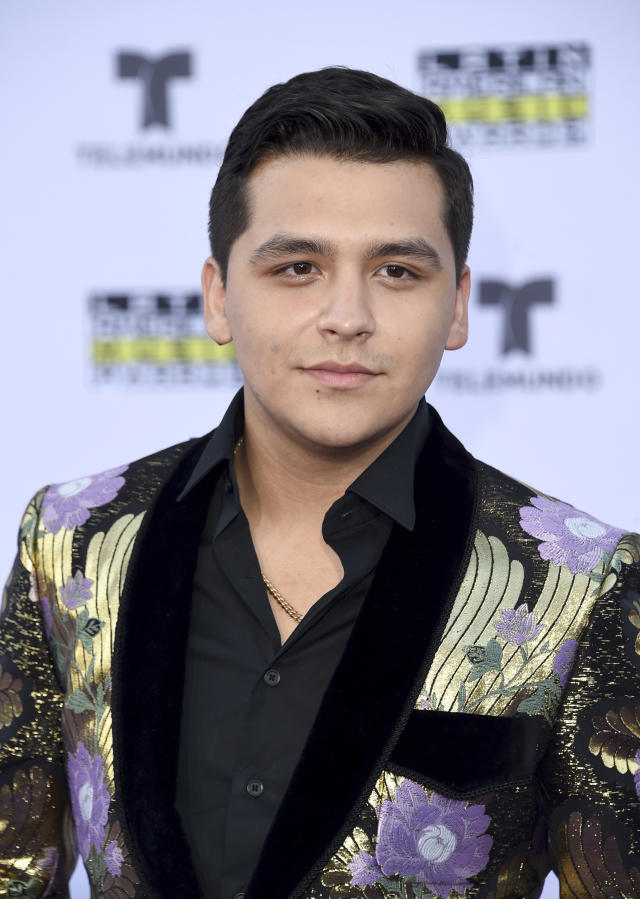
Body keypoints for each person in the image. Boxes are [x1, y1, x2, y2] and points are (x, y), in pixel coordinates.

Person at [1, 67, 639, 899]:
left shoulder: (583, 579)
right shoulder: (71, 537)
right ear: (218, 297)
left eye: (397, 271)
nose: (347, 317)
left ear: (457, 305)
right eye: (299, 267)